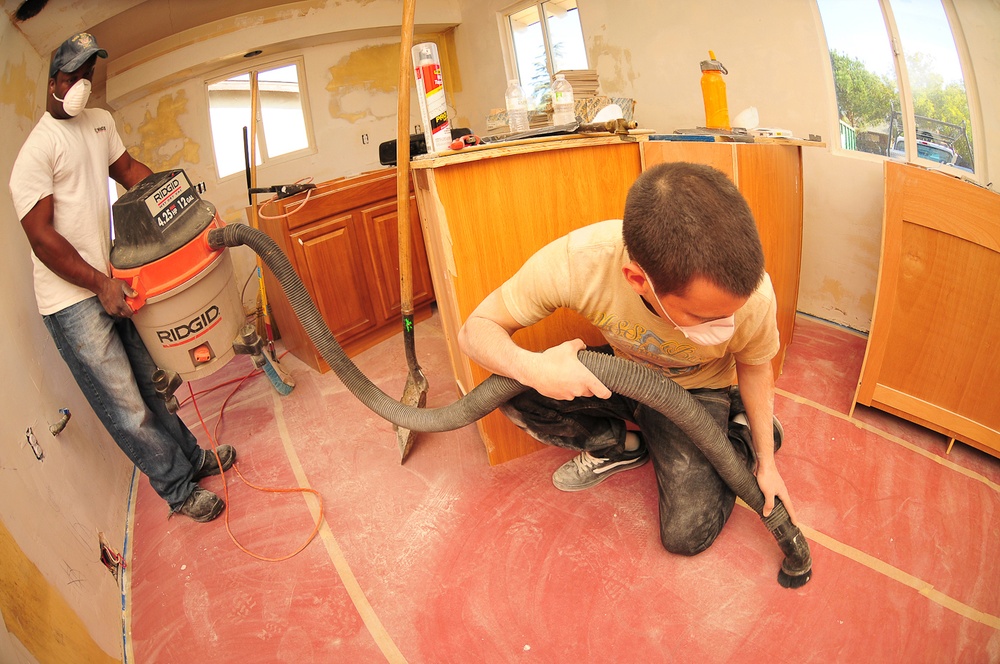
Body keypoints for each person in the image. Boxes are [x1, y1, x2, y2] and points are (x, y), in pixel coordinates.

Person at [458, 161, 798, 556]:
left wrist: (764, 463)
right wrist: (533, 369)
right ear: (638, 280)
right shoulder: (582, 260)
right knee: (512, 389)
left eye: (731, 313)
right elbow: (475, 330)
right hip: (621, 375)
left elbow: (755, 366)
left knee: (686, 535)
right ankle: (618, 446)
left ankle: (734, 431)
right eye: (706, 317)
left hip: (696, 390)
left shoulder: (754, 297)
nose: (726, 323)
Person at [9, 33, 235, 522]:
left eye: (88, 75)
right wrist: (100, 284)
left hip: (112, 283)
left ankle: (193, 459)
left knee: (155, 385)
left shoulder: (100, 123)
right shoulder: (36, 152)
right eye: (72, 77)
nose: (81, 86)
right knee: (127, 406)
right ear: (53, 83)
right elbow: (42, 238)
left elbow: (132, 171)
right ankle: (178, 489)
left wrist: (176, 209)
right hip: (72, 301)